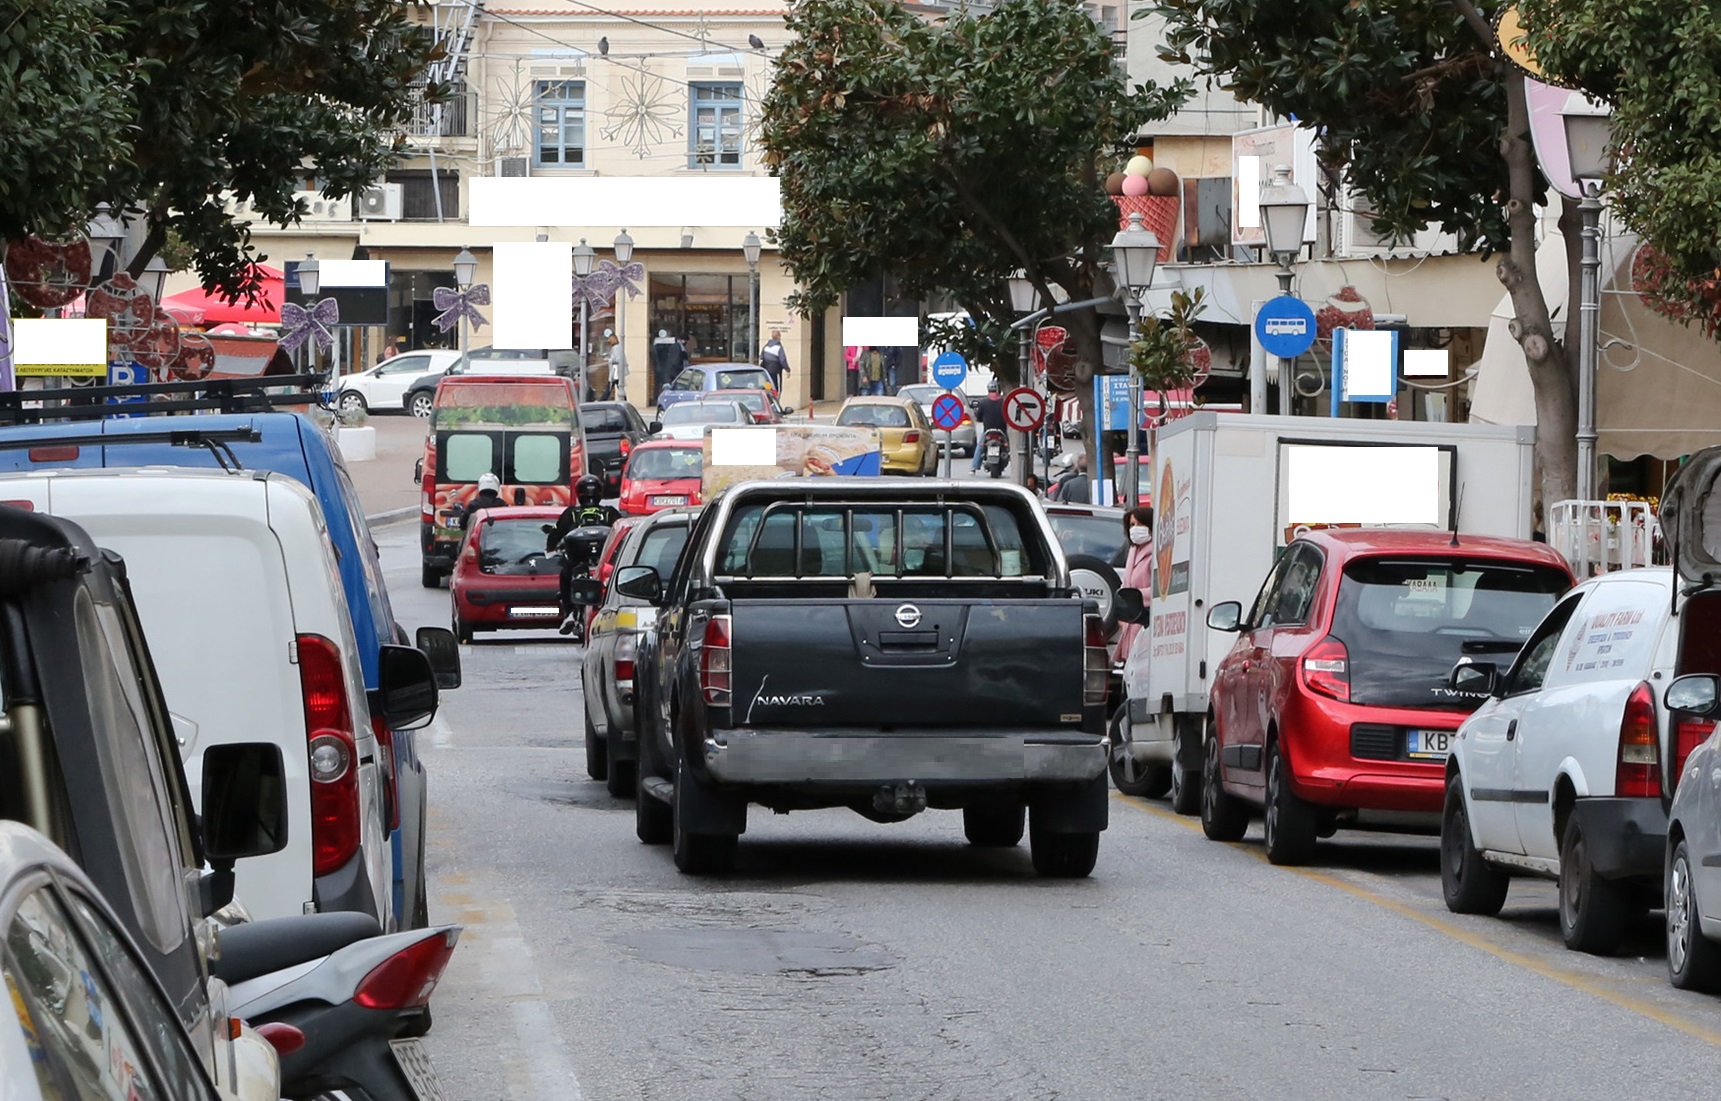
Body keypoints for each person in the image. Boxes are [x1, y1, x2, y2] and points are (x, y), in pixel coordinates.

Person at [547, 474, 622, 636]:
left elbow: (556, 533)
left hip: (577, 562)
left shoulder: (571, 513)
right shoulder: (609, 513)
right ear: (599, 492)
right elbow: (622, 532)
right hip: (605, 562)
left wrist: (550, 547)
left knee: (565, 576)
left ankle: (569, 614)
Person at [1113, 506, 1155, 664]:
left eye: (1139, 524)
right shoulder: (1133, 552)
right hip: (1131, 620)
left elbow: (1159, 590)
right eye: (1131, 525)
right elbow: (1126, 584)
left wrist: (1135, 596)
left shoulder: (1155, 554)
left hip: (1146, 619)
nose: (1135, 529)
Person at [970, 379, 1008, 471]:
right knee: (1008, 446)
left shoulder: (983, 402)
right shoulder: (1004, 402)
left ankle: (974, 467)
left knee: (980, 447)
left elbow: (978, 417)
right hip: (1001, 431)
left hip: (988, 431)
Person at [651, 329, 687, 400]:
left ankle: (657, 399)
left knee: (659, 385)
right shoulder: (676, 346)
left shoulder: (656, 346)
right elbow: (676, 360)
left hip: (659, 369)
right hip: (671, 371)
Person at [605, 329, 626, 401]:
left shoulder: (616, 348)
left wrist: (609, 360)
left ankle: (602, 400)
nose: (609, 341)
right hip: (616, 371)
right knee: (617, 386)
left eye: (610, 339)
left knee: (609, 387)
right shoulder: (616, 347)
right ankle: (624, 400)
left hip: (616, 371)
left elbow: (617, 359)